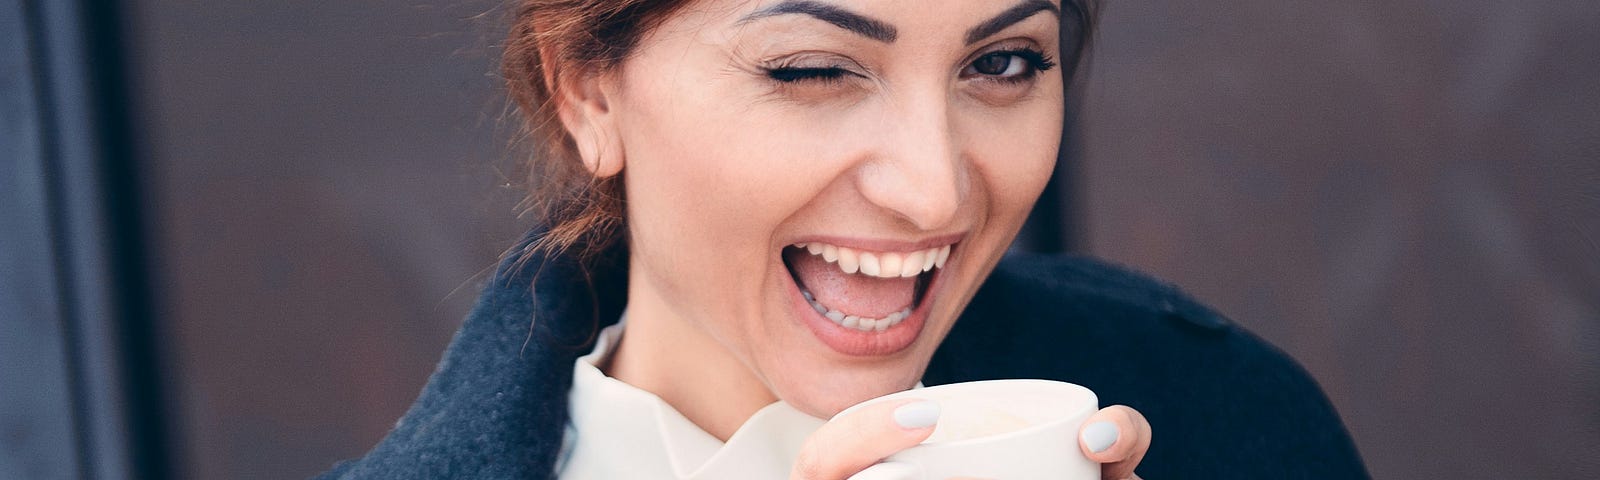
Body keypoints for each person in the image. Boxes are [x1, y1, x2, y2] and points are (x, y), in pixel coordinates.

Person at [319, 0, 1369, 478]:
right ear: (587, 88)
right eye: (810, 69)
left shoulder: (1229, 425)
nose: (931, 189)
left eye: (1001, 63)